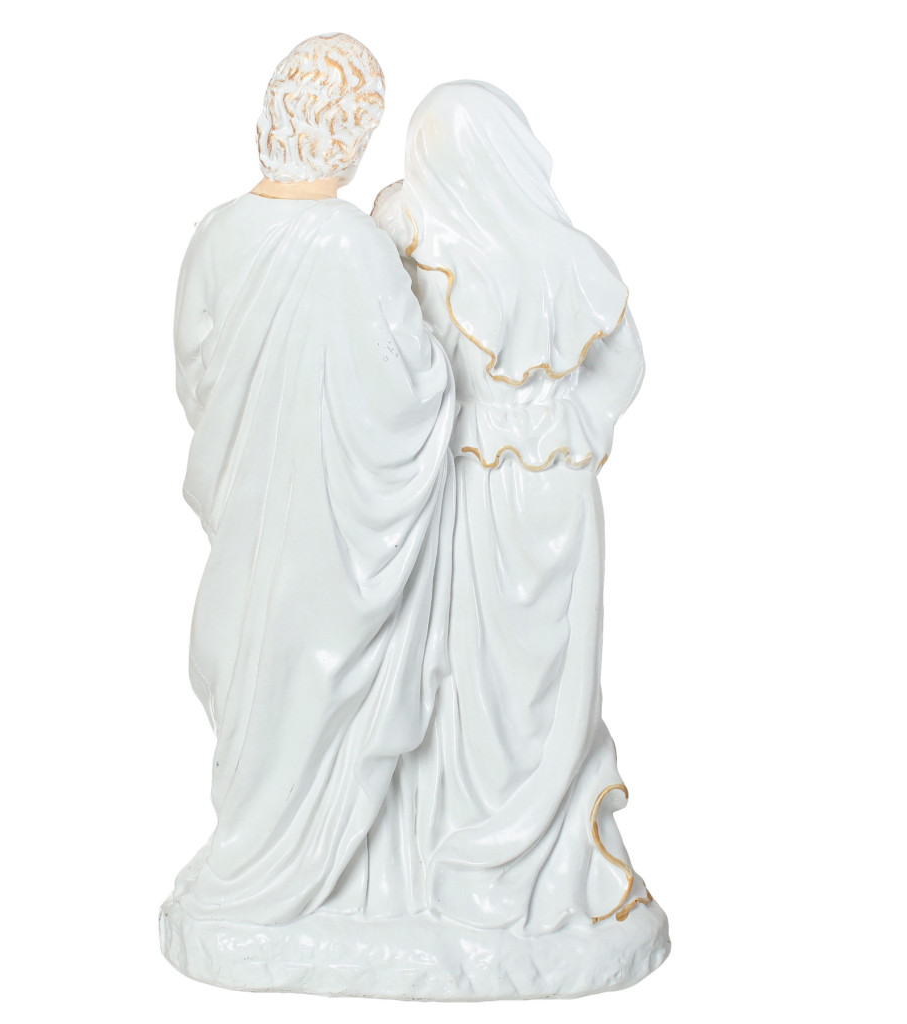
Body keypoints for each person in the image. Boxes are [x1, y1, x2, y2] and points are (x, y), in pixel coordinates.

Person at [161, 34, 454, 955]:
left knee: (252, 670)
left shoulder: (217, 231)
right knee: (315, 679)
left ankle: (254, 865)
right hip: (333, 529)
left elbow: (196, 377)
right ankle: (277, 872)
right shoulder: (355, 245)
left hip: (249, 508)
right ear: (352, 133)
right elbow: (414, 384)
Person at [373, 81, 664, 936]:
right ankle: (492, 845)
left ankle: (495, 844)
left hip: (474, 480)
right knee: (517, 666)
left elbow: (383, 348)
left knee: (485, 665)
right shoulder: (568, 255)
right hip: (556, 485)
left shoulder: (419, 236)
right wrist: (573, 427)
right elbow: (624, 367)